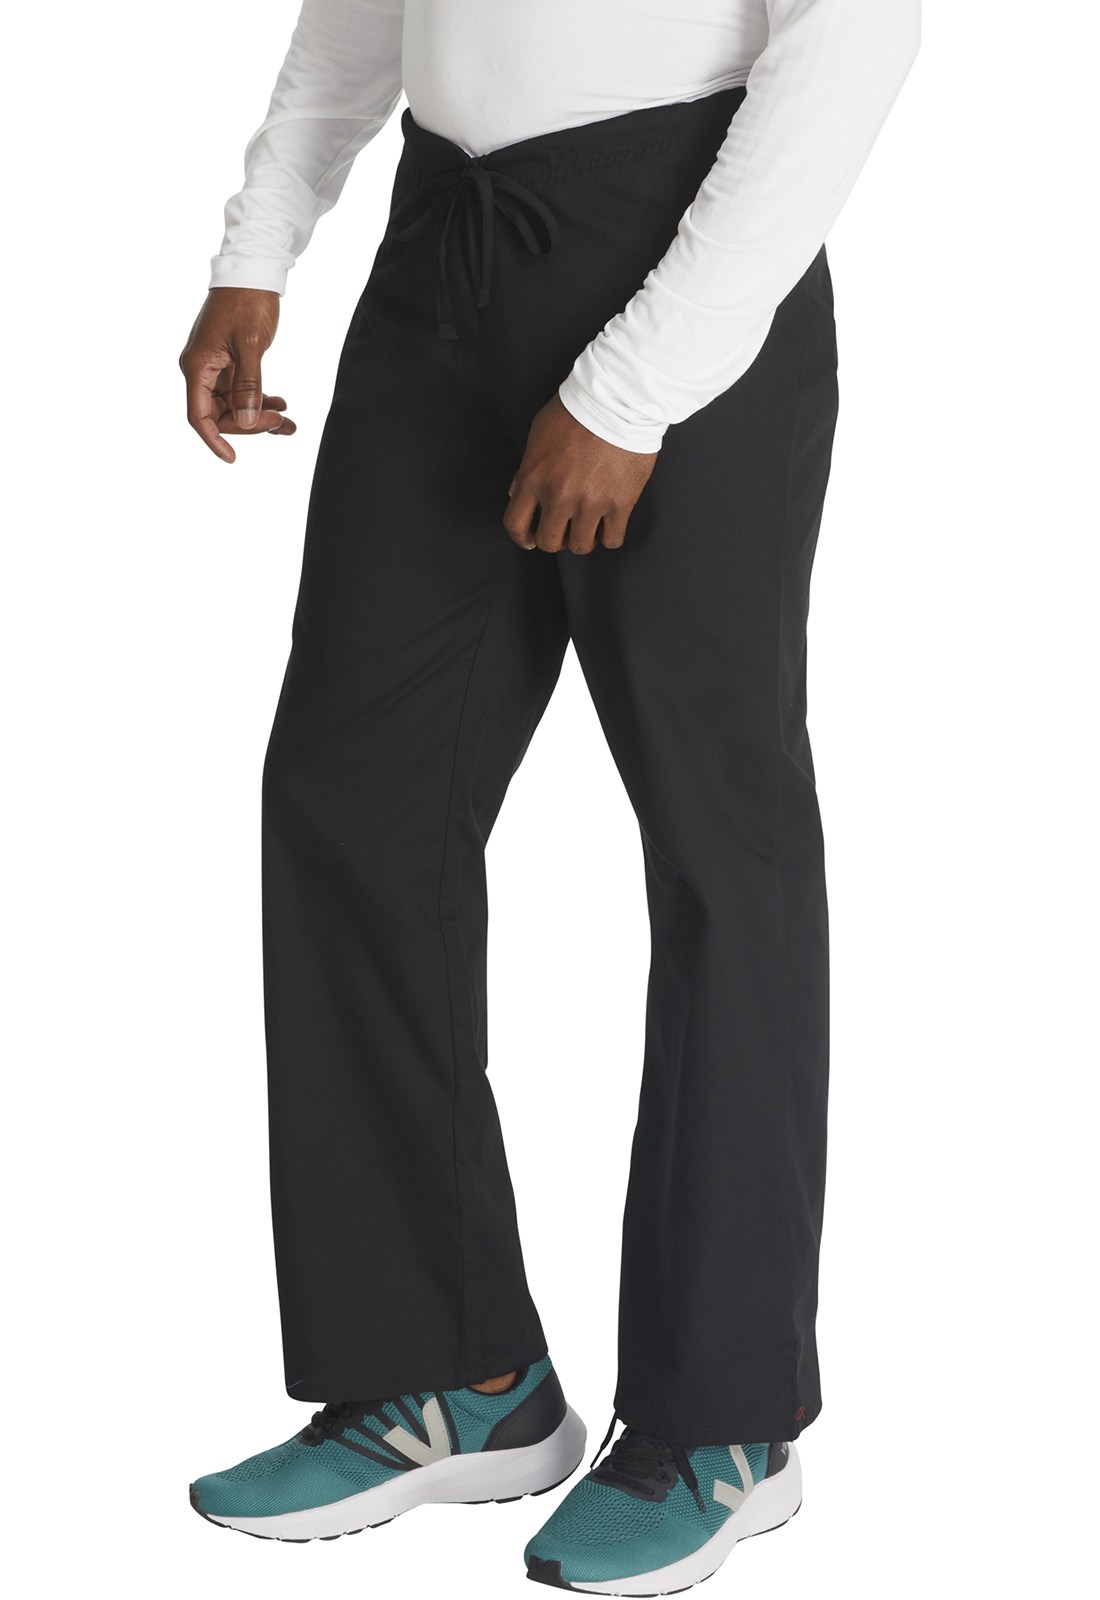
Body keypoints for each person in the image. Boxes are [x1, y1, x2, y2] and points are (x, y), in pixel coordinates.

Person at [180, 1, 919, 1589]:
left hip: (680, 255)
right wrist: (263, 242)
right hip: (444, 242)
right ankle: (450, 1372)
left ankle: (723, 1421)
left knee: (718, 849)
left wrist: (633, 388)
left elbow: (850, 43)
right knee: (351, 803)